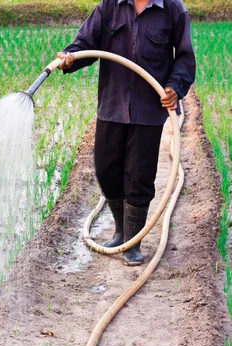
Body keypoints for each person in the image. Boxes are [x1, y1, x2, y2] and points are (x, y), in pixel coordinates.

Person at [58, 0, 196, 265]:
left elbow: (186, 59)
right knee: (106, 169)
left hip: (148, 110)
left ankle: (133, 243)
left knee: (139, 176)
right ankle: (121, 231)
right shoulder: (109, 6)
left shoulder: (172, 9)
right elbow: (86, 43)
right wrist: (68, 57)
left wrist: (174, 87)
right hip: (113, 103)